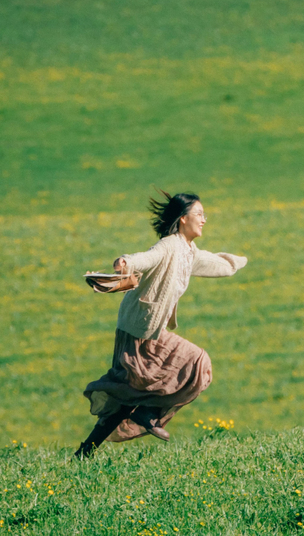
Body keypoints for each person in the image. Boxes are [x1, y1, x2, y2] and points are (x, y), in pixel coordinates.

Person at [75, 191, 248, 458]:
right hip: (138, 329)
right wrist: (126, 262)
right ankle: (148, 412)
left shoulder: (189, 252)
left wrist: (237, 263)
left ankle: (86, 451)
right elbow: (148, 258)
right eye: (199, 214)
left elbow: (216, 264)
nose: (204, 219)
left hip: (149, 329)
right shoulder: (170, 245)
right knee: (197, 361)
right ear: (182, 219)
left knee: (130, 395)